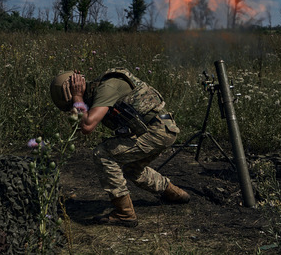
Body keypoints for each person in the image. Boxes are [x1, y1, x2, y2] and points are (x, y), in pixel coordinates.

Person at [50, 68, 190, 228]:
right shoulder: (98, 92)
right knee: (132, 170)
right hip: (156, 130)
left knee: (102, 153)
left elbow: (87, 126)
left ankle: (125, 213)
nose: (74, 108)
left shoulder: (106, 87)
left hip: (157, 130)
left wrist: (77, 97)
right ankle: (175, 194)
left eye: (72, 106)